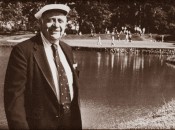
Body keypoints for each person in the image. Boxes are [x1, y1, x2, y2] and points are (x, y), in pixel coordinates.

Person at [4, 4, 82, 130]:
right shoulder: (23, 51)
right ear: (40, 23)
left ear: (65, 24)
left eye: (60, 21)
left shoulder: (67, 49)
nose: (56, 25)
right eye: (51, 20)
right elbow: (14, 100)